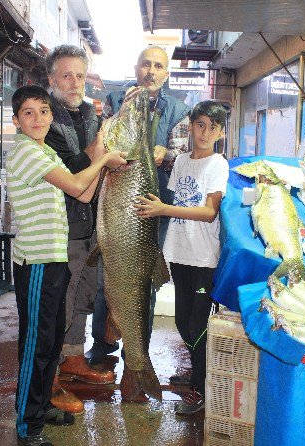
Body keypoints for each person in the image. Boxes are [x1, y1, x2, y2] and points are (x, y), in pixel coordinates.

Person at [6, 85, 126, 446]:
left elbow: (84, 194)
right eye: (29, 113)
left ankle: (39, 408)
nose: (38, 118)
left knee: (53, 337)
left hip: (55, 259)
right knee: (37, 343)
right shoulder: (27, 152)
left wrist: (102, 144)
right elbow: (77, 184)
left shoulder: (44, 151)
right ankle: (28, 425)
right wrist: (103, 161)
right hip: (38, 260)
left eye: (44, 111)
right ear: (16, 121)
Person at [87, 46, 191, 365]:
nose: (151, 71)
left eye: (158, 66)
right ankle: (103, 347)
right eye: (145, 64)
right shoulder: (116, 101)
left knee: (144, 283)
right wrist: (121, 115)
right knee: (109, 277)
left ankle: (138, 351)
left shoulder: (179, 111)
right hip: (117, 210)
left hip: (153, 212)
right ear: (136, 68)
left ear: (166, 73)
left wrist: (168, 154)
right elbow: (100, 143)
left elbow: (184, 158)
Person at [134, 101, 230, 415]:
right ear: (190, 126)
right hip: (179, 254)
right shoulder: (182, 162)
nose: (204, 132)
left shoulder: (218, 164)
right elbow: (178, 199)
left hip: (204, 260)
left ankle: (200, 390)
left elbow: (207, 211)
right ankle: (197, 368)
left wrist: (163, 209)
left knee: (197, 325)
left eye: (212, 127)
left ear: (220, 132)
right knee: (181, 321)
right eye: (200, 124)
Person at [43, 45, 115, 414]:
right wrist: (100, 153)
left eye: (80, 76)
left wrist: (103, 152)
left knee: (84, 296)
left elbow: (99, 157)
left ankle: (73, 359)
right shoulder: (43, 117)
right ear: (52, 79)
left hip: (91, 225)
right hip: (60, 226)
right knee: (59, 304)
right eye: (66, 75)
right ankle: (49, 381)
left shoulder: (90, 113)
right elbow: (73, 167)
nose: (74, 83)